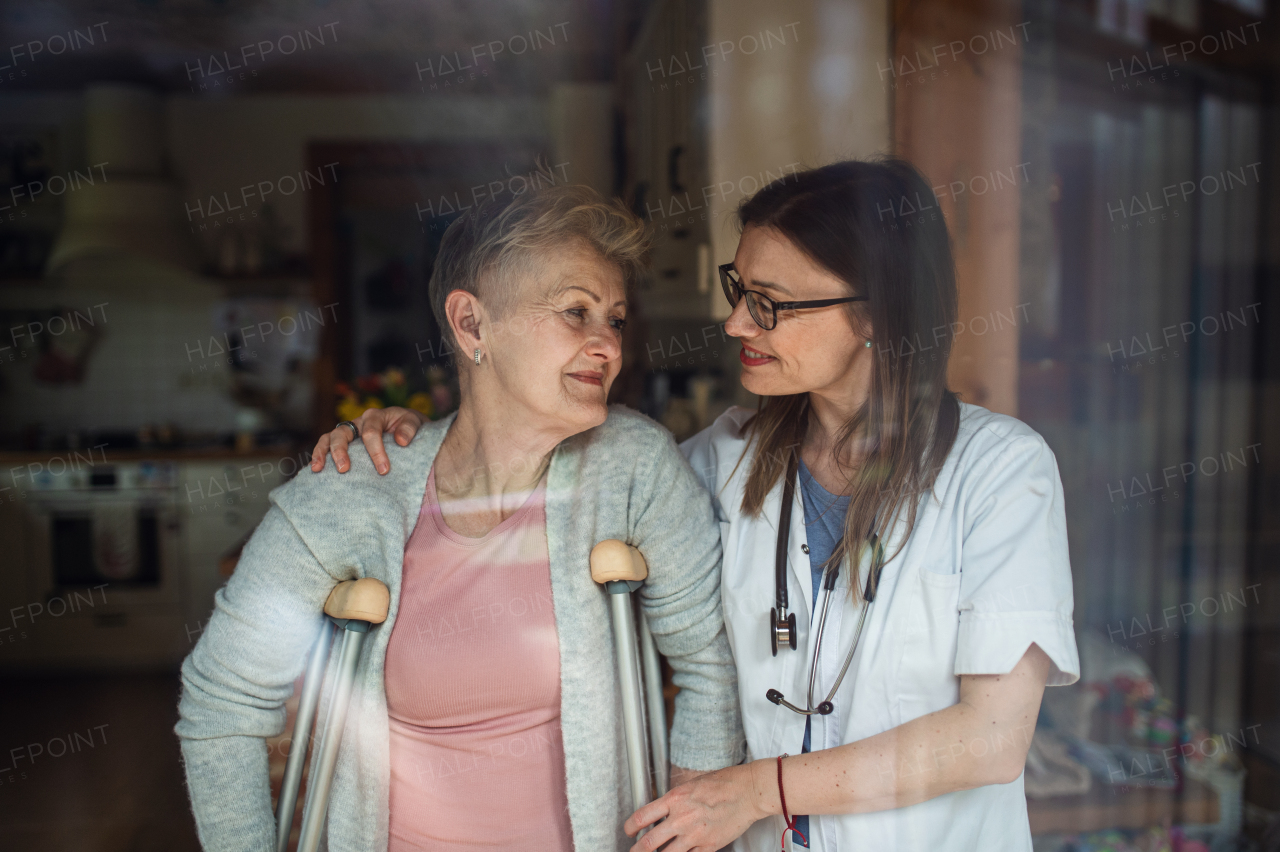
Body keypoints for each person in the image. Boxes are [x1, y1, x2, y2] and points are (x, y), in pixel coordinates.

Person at [314, 158, 1080, 852]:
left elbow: (989, 740)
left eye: (771, 305)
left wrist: (756, 790)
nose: (737, 323)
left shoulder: (1001, 473)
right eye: (738, 289)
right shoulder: (726, 457)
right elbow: (540, 489)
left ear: (877, 315)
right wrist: (424, 447)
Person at [178, 184, 743, 852]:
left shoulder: (632, 464)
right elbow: (224, 702)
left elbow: (709, 668)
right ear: (472, 325)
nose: (608, 346)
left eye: (614, 320)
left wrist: (678, 838)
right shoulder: (356, 487)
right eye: (575, 312)